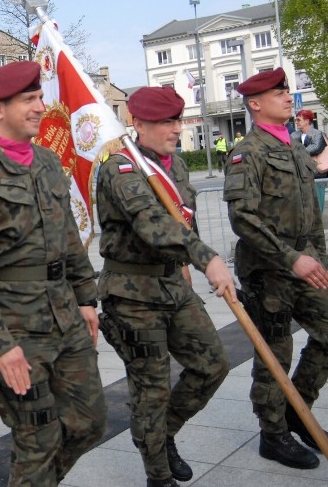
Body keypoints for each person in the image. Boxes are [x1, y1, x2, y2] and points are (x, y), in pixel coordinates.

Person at [0, 61, 107, 486]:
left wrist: (86, 298)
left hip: (64, 314)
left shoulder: (48, 162)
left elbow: (68, 233)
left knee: (90, 422)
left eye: (39, 97)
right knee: (38, 437)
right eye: (29, 100)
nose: (39, 107)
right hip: (17, 327)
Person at [96, 87, 233, 487]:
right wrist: (207, 258)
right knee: (151, 387)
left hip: (172, 283)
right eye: (167, 122)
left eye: (178, 119)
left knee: (212, 365)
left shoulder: (175, 167)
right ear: (139, 125)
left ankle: (163, 432)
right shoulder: (120, 168)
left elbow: (183, 221)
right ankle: (158, 474)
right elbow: (153, 224)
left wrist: (188, 262)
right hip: (132, 293)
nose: (177, 128)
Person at [224, 68, 328, 470]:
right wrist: (291, 258)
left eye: (286, 90)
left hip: (306, 259)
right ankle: (273, 433)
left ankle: (299, 410)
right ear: (255, 104)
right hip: (269, 269)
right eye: (278, 92)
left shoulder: (295, 149)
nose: (287, 96)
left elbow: (312, 213)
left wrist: (320, 261)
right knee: (275, 351)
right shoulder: (248, 152)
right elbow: (243, 218)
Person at [291, 109, 328, 212]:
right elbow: (290, 150)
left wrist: (299, 151)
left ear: (307, 121)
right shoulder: (294, 135)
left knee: (318, 204)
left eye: (298, 120)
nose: (296, 122)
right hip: (300, 174)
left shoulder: (318, 133)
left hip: (317, 174)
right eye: (296, 120)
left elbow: (316, 148)